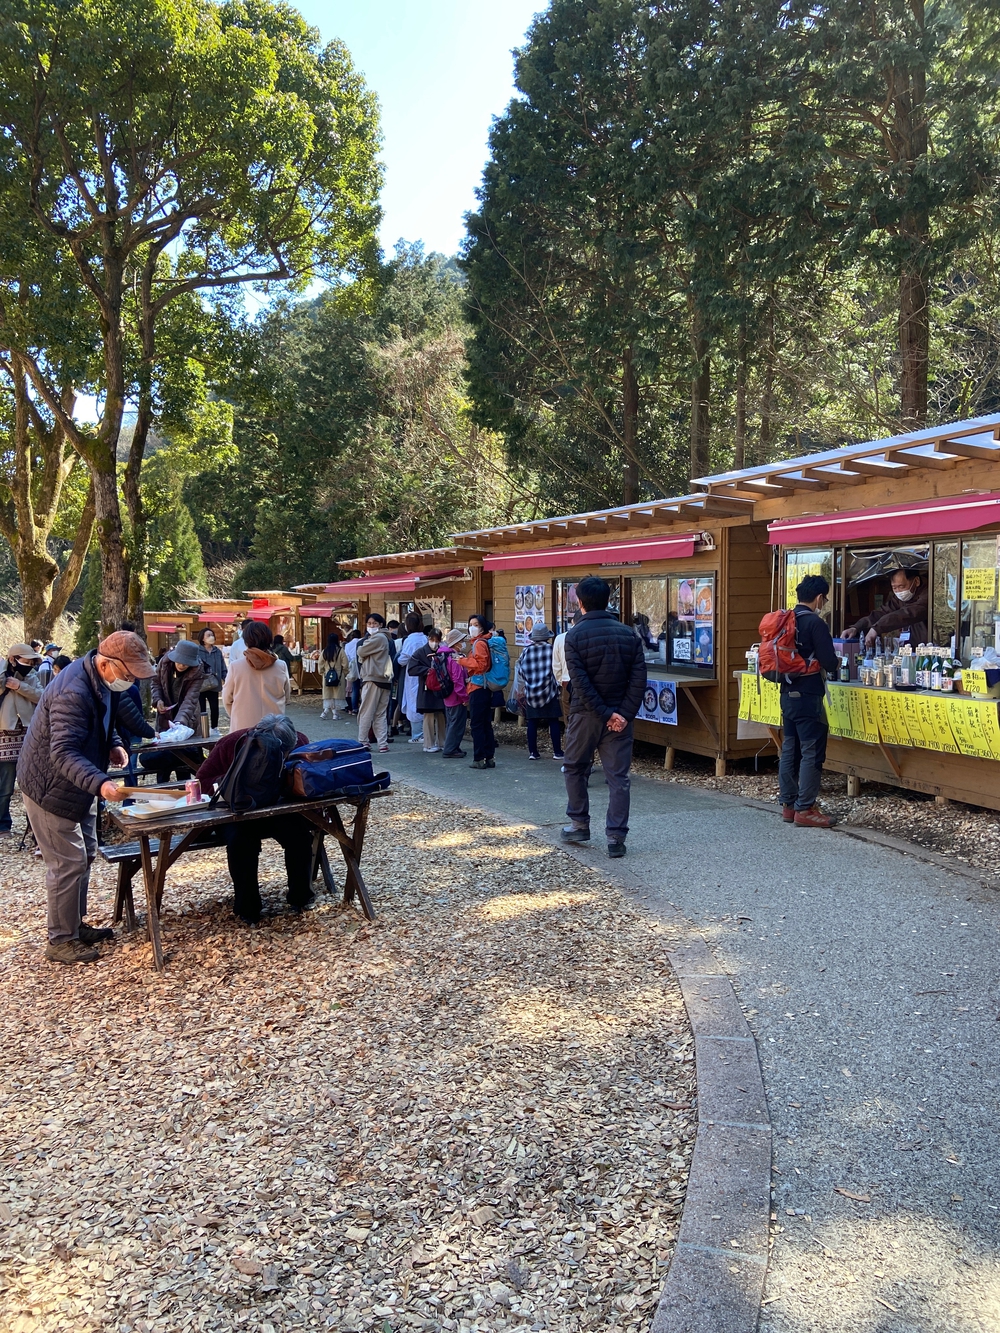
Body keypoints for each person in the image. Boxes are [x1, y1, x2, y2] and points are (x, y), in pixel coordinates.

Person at [17, 629, 155, 963]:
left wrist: (115, 744)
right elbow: (62, 752)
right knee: (68, 861)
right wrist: (101, 783)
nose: (130, 681)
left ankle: (74, 925)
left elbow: (106, 722)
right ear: (107, 664)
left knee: (87, 852)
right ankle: (61, 939)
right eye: (128, 674)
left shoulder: (103, 682)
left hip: (80, 782)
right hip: (50, 787)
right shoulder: (73, 690)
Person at [197, 716, 314, 924]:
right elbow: (202, 780)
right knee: (241, 842)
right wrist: (229, 783)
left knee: (300, 836)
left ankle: (301, 897)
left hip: (277, 809)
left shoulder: (300, 742)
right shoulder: (231, 744)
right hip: (236, 811)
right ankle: (248, 908)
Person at [561, 576, 646, 859]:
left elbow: (580, 684)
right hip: (620, 715)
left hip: (586, 714)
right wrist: (622, 714)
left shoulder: (573, 636)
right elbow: (638, 680)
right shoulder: (629, 634)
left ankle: (579, 822)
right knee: (618, 777)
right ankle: (616, 837)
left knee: (574, 766)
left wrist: (606, 713)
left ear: (580, 602)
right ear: (607, 599)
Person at [778, 574, 840, 828]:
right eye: (824, 598)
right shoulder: (815, 623)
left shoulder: (786, 620)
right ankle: (806, 808)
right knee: (811, 751)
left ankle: (789, 805)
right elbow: (829, 661)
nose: (824, 602)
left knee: (790, 750)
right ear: (818, 597)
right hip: (808, 697)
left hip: (787, 694)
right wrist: (837, 664)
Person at [147, 638, 207, 782]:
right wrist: (158, 700)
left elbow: (190, 699)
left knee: (185, 761)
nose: (181, 665)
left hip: (187, 718)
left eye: (186, 662)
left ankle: (186, 795)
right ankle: (161, 794)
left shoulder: (198, 670)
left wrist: (180, 723)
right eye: (179, 661)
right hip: (165, 716)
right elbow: (155, 683)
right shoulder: (164, 662)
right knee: (163, 760)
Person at [0, 644, 44, 837]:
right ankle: (3, 825)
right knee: (5, 786)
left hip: (28, 735)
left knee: (31, 784)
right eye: (25, 660)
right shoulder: (2, 673)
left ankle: (34, 827)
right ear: (13, 659)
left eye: (31, 661)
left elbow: (42, 696)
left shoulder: (32, 676)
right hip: (4, 737)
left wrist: (20, 686)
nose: (29, 664)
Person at [222, 621, 291, 731]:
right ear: (269, 639)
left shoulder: (236, 667)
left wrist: (236, 715)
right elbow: (286, 697)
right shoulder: (280, 666)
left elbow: (226, 699)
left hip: (242, 728)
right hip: (274, 728)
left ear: (246, 641)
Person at [845, 567, 929, 648]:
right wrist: (856, 627)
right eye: (894, 588)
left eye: (901, 586)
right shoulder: (899, 598)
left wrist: (877, 628)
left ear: (916, 581)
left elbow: (909, 613)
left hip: (927, 648)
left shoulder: (927, 594)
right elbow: (882, 612)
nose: (898, 591)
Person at [515, 623, 564, 761]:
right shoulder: (551, 649)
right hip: (549, 690)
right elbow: (556, 669)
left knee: (532, 722)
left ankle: (533, 752)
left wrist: (529, 682)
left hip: (531, 691)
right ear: (547, 637)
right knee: (553, 721)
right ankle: (557, 752)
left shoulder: (526, 651)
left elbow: (521, 671)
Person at [458, 615, 497, 769]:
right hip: (485, 688)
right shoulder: (484, 641)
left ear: (482, 627)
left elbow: (481, 665)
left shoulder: (479, 643)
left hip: (478, 687)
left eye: (475, 624)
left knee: (477, 724)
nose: (472, 627)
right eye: (470, 624)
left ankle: (479, 758)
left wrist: (462, 661)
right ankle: (489, 757)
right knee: (485, 723)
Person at [355, 613, 393, 752]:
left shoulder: (378, 637)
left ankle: (363, 740)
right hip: (384, 679)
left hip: (373, 678)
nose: (371, 626)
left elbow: (361, 650)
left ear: (381, 625)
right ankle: (382, 743)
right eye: (369, 623)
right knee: (380, 713)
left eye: (374, 623)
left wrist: (363, 648)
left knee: (366, 711)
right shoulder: (386, 638)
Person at [407, 626, 447, 752]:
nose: (435, 642)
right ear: (428, 639)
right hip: (426, 687)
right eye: (432, 639)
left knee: (441, 715)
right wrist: (426, 670)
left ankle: (442, 742)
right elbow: (411, 669)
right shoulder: (420, 652)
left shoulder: (442, 651)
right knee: (428, 715)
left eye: (437, 640)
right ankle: (428, 744)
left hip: (440, 687)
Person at [397, 612, 429, 745]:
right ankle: (427, 733)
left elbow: (403, 659)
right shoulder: (425, 638)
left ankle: (417, 734)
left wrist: (397, 659)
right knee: (424, 702)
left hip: (413, 675)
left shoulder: (410, 640)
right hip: (426, 674)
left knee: (413, 702)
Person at [439, 628, 469, 757]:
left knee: (451, 722)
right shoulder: (455, 659)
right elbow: (458, 680)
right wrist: (464, 698)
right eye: (461, 641)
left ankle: (453, 747)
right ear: (456, 643)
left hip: (447, 694)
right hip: (456, 696)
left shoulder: (443, 655)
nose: (463, 643)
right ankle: (450, 749)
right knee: (457, 724)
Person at [196, 627, 227, 731]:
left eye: (212, 635)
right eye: (208, 635)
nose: (211, 637)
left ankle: (214, 728)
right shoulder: (197, 651)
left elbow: (223, 666)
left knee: (215, 708)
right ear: (202, 638)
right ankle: (202, 729)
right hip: (200, 685)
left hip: (214, 684)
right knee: (202, 709)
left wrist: (225, 678)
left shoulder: (217, 651)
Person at [320, 630, 349, 720]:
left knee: (328, 694)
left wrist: (322, 673)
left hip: (327, 676)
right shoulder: (341, 651)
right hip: (339, 675)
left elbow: (320, 664)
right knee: (337, 695)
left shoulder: (325, 651)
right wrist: (344, 673)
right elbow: (346, 664)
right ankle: (335, 714)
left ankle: (325, 712)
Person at [344, 629, 362, 714]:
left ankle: (354, 708)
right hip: (362, 666)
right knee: (363, 689)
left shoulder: (348, 645)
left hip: (352, 667)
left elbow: (346, 658)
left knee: (354, 689)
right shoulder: (363, 642)